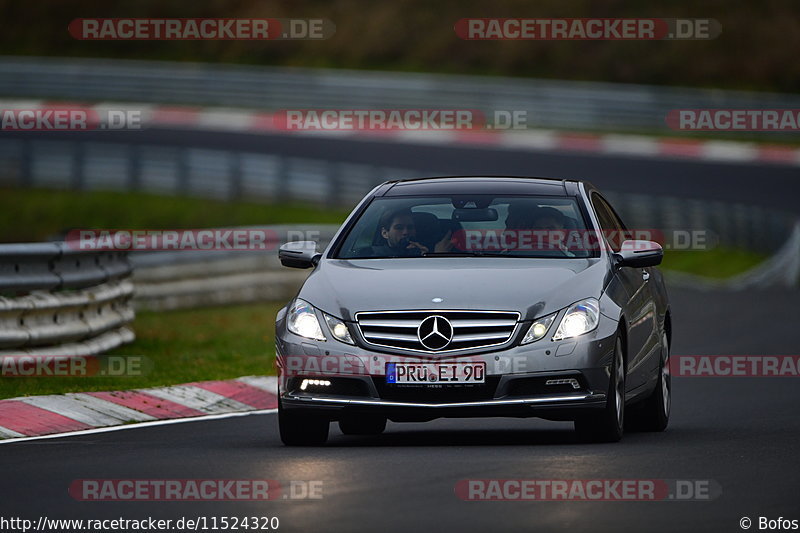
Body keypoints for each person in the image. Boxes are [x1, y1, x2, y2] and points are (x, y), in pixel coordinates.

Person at [373, 208, 453, 257]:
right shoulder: (373, 255)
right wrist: (437, 258)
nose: (406, 232)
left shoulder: (420, 252)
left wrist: (425, 257)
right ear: (385, 233)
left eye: (410, 227)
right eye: (399, 228)